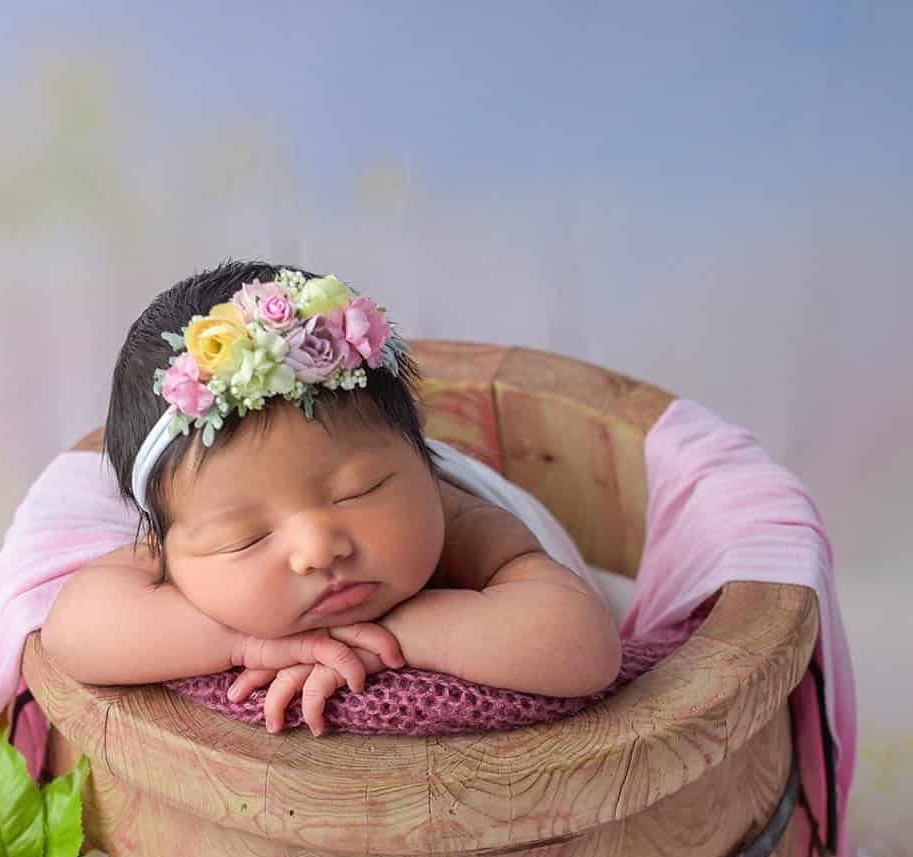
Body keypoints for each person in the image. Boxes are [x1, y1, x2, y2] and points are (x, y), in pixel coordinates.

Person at [39, 259, 624, 734]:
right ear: (170, 544)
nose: (318, 549)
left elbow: (585, 648)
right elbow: (73, 632)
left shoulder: (460, 520)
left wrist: (403, 634)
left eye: (360, 491)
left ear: (418, 454)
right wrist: (243, 641)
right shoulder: (179, 544)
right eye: (245, 538)